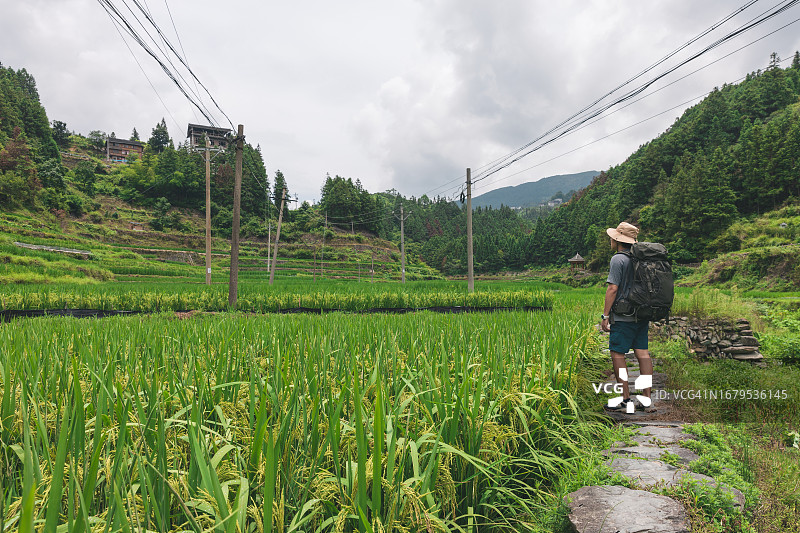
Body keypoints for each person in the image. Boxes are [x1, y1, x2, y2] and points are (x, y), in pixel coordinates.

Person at [600, 222, 654, 413]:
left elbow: (612, 288)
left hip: (623, 316)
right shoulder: (641, 259)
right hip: (642, 314)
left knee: (617, 354)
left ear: (617, 240)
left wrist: (605, 315)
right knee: (643, 354)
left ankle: (625, 399)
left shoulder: (618, 259)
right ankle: (647, 400)